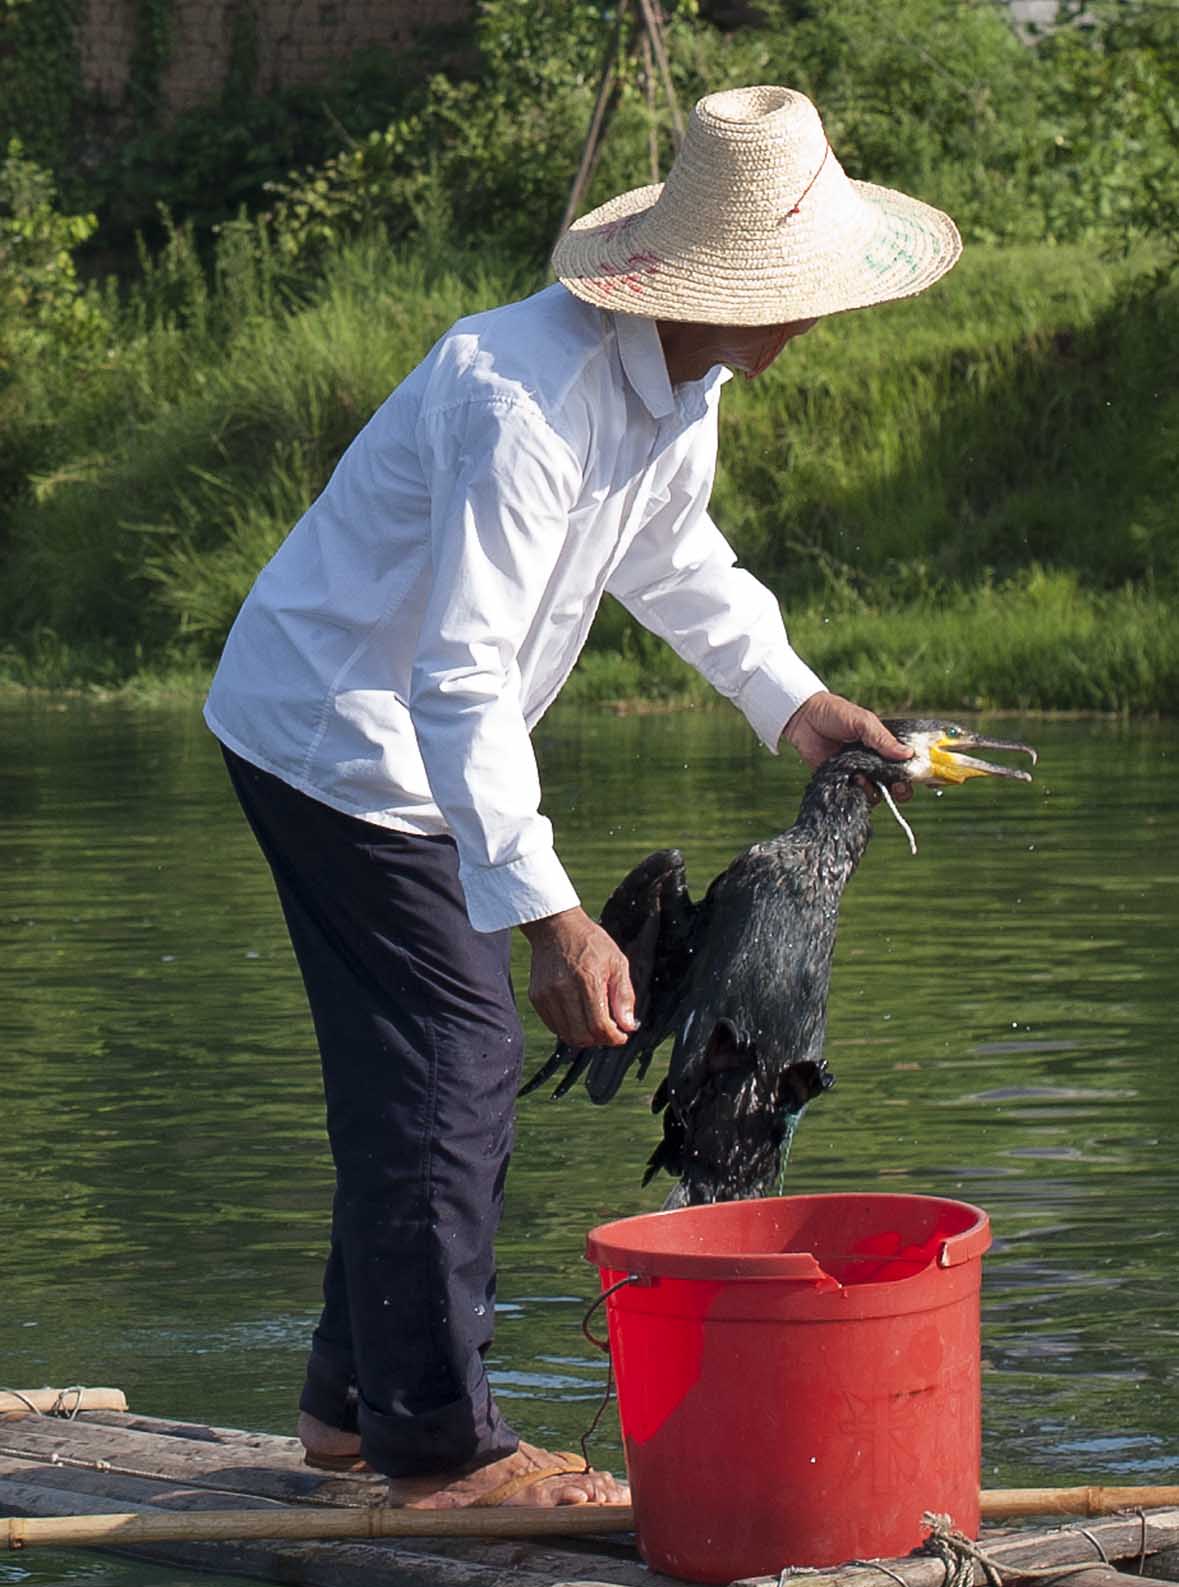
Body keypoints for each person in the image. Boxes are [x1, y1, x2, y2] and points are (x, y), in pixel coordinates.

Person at [204, 84, 961, 1509]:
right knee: (455, 1053)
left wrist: (796, 705)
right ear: (710, 283)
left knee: (420, 1062)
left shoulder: (682, 387)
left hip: (411, 738)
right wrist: (552, 913)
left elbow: (676, 561)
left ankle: (349, 1405)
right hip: (334, 735)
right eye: (792, 291)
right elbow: (462, 681)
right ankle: (439, 1448)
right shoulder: (522, 403)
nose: (809, 323)